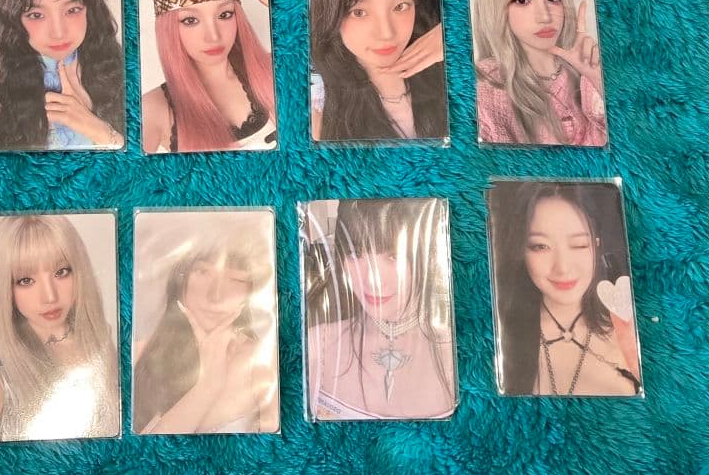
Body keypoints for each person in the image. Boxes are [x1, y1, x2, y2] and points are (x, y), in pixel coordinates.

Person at [0, 215, 120, 442]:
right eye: (26, 280)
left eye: (61, 272)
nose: (50, 296)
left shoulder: (102, 342)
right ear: (4, 288)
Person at [303, 199, 456, 420]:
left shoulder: (456, 350)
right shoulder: (318, 343)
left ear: (428, 255)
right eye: (355, 253)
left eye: (393, 256)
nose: (373, 280)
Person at [489, 182, 642, 396]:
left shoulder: (629, 328)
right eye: (540, 246)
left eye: (579, 245)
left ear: (597, 245)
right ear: (521, 250)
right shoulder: (500, 338)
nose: (562, 268)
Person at [133, 215, 278, 434]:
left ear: (252, 290)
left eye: (236, 279)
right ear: (180, 277)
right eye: (203, 272)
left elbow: (279, 450)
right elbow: (142, 452)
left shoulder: (263, 361)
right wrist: (208, 383)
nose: (216, 295)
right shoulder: (139, 354)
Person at [0, 0, 125, 151]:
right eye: (36, 15)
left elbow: (145, 167)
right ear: (13, 19)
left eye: (72, 10)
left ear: (90, 10)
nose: (58, 33)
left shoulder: (123, 76)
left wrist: (98, 130)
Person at [470, 0, 606, 146]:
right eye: (522, 0)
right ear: (495, 7)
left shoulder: (585, 70)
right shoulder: (485, 86)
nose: (545, 16)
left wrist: (598, 81)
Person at [309, 0, 447, 142]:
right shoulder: (318, 111)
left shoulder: (448, 70)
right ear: (331, 14)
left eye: (400, 6)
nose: (386, 33)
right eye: (358, 12)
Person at [141, 0, 276, 153]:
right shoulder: (153, 109)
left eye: (224, 15)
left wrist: (280, 5)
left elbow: (322, 45)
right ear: (167, 29)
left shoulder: (272, 69)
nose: (213, 37)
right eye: (190, 20)